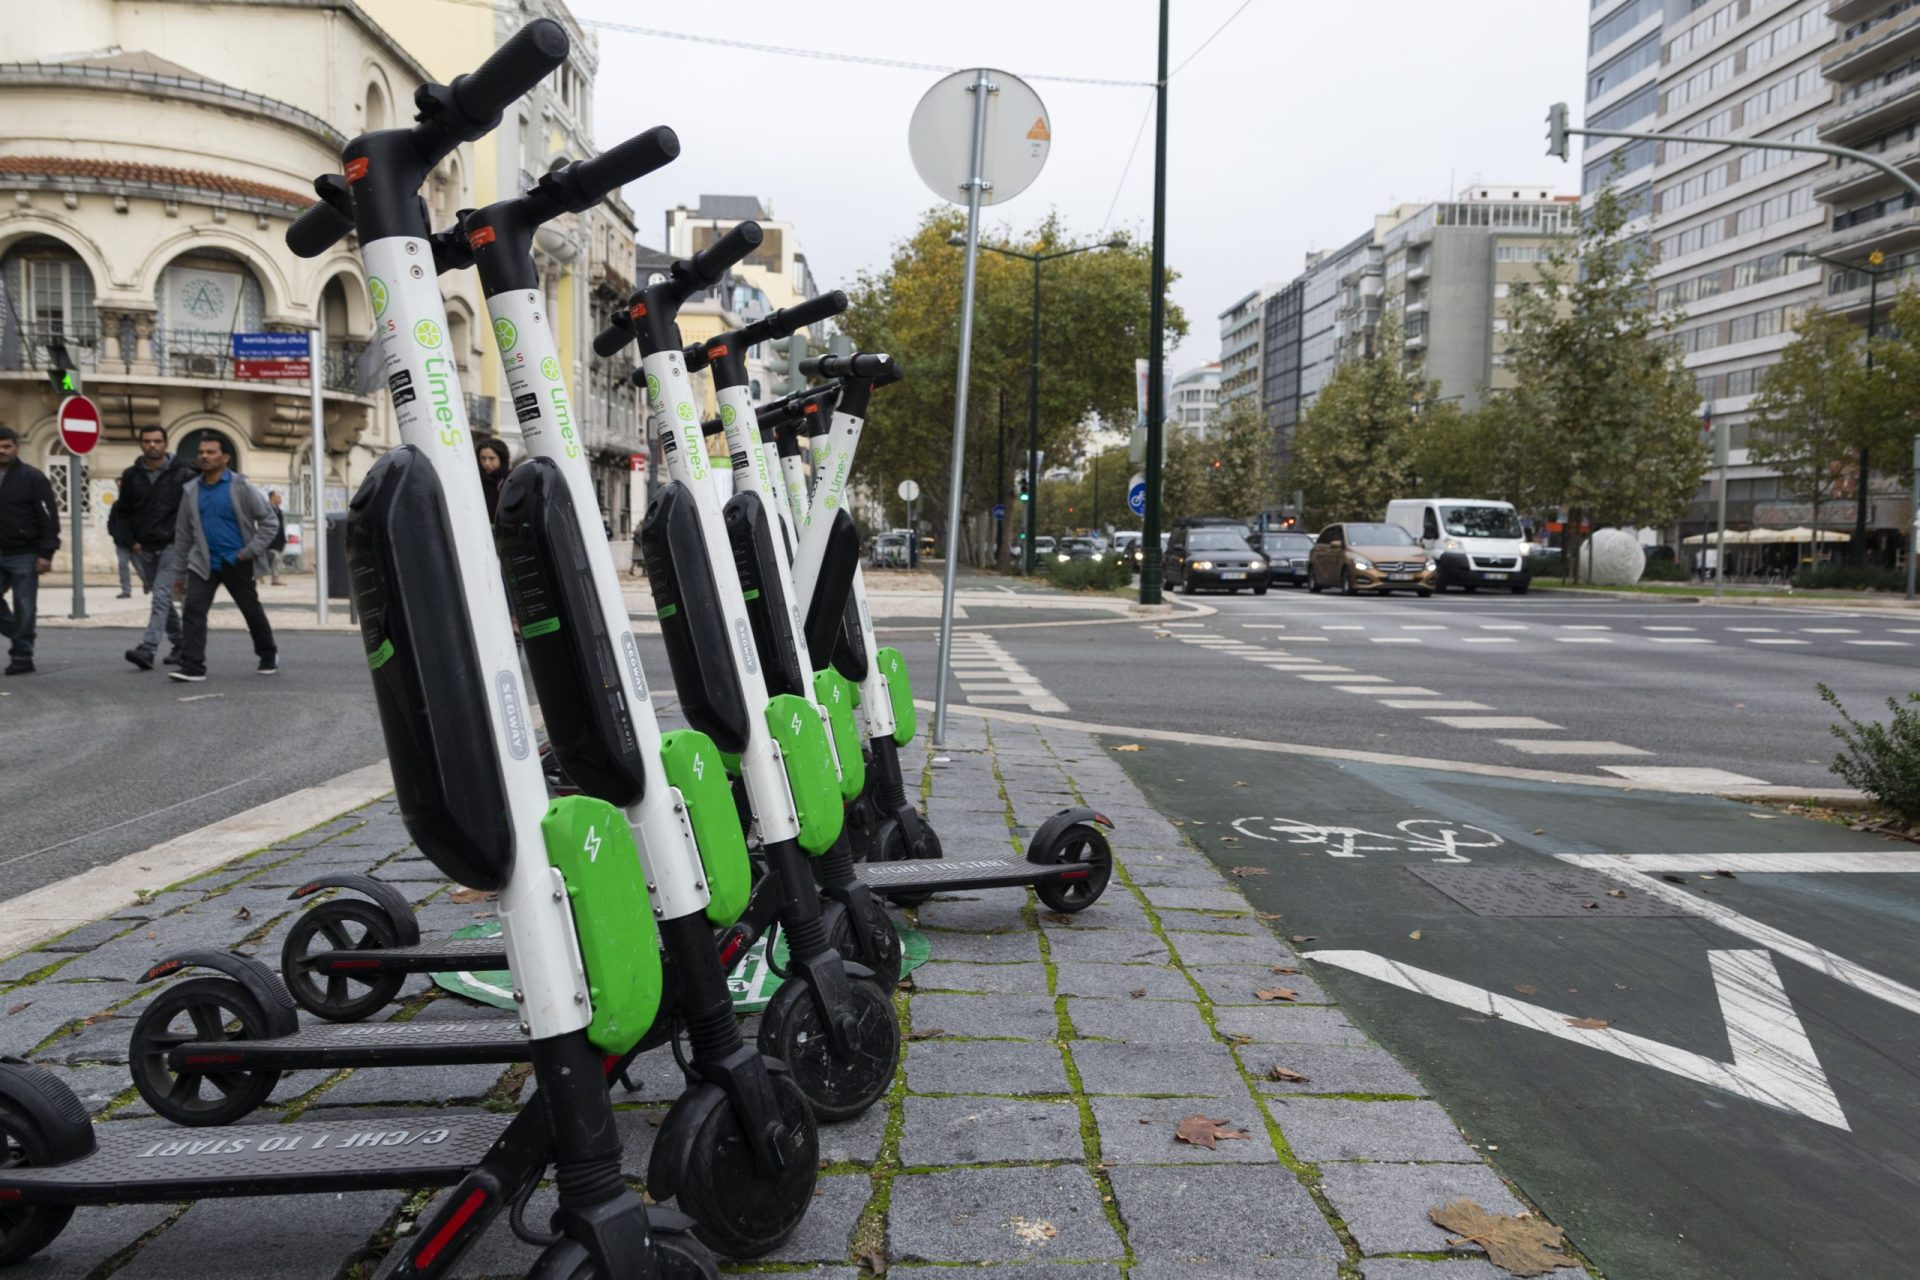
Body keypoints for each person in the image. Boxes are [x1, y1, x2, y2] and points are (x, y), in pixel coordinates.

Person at [169, 436, 278, 681]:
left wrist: (248, 551)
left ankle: (268, 654)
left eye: (211, 452)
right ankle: (193, 666)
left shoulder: (241, 487)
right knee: (193, 609)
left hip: (236, 561)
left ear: (225, 457)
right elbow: (184, 533)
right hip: (203, 562)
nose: (204, 456)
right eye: (201, 452)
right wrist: (179, 572)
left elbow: (270, 522)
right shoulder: (191, 490)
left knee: (250, 610)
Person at [112, 426, 196, 671]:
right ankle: (180, 644)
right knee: (163, 601)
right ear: (141, 444)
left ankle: (148, 649)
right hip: (143, 547)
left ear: (165, 444)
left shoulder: (183, 475)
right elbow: (124, 512)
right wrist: (130, 541)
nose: (152, 446)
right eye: (147, 441)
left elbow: (191, 513)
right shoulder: (131, 475)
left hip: (172, 546)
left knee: (161, 596)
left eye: (157, 441)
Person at [0, 426, 59, 676]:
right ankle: (21, 634)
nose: (1, 451)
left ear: (16, 448)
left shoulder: (32, 477)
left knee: (24, 604)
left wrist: (46, 552)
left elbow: (48, 517)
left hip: (24, 552)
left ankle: (22, 655)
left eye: (6, 446)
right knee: (21, 614)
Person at [475, 437, 512, 521]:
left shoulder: (511, 479)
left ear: (502, 459)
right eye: (483, 458)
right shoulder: (474, 479)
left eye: (491, 458)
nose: (487, 463)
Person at [262, 490, 287, 585]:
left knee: (277, 559)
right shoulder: (267, 509)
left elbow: (281, 527)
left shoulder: (279, 511)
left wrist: (284, 539)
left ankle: (275, 579)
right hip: (269, 538)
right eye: (278, 497)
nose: (280, 500)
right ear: (272, 497)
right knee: (272, 557)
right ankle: (258, 575)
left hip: (279, 539)